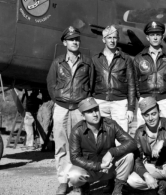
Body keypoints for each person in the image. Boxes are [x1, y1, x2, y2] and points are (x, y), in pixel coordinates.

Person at [46, 26, 94, 195]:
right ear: (64, 42)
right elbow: (51, 84)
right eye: (71, 39)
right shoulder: (57, 62)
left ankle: (80, 180)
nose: (75, 42)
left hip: (80, 110)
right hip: (61, 108)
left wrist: (83, 106)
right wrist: (59, 100)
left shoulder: (87, 62)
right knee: (61, 146)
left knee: (81, 145)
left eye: (77, 39)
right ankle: (63, 181)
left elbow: (91, 86)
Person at [68, 97, 137, 195]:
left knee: (129, 156)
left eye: (96, 110)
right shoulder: (77, 130)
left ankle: (117, 188)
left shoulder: (110, 124)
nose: (95, 114)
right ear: (83, 116)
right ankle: (84, 187)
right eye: (89, 112)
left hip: (109, 167)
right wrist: (98, 166)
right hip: (90, 169)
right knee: (74, 175)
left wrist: (112, 152)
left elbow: (132, 143)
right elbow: (74, 158)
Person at [134, 21, 166, 128]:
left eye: (158, 34)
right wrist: (141, 98)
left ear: (162, 37)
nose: (155, 37)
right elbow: (135, 81)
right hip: (145, 100)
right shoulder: (138, 58)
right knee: (143, 134)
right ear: (147, 37)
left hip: (165, 100)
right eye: (152, 35)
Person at [92, 25, 136, 133]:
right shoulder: (95, 59)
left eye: (115, 38)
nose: (112, 40)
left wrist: (131, 108)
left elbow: (131, 84)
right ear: (104, 39)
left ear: (118, 39)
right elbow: (90, 83)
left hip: (120, 103)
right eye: (109, 37)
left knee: (121, 137)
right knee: (100, 136)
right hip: (100, 102)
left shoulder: (126, 59)